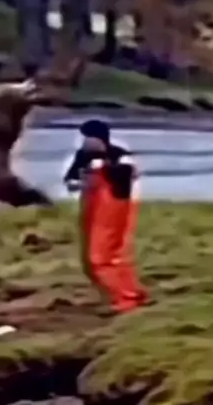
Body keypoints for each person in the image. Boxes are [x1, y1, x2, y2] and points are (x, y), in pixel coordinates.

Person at [63, 119, 149, 313]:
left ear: (100, 138)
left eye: (89, 137)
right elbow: (70, 179)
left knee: (103, 257)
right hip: (91, 208)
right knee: (91, 259)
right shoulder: (83, 155)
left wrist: (102, 168)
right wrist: (78, 183)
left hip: (115, 208)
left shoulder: (120, 155)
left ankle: (126, 298)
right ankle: (127, 292)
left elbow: (128, 175)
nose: (86, 142)